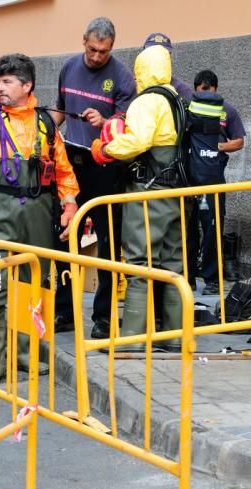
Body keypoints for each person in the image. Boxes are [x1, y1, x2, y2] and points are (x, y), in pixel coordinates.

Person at [0, 53, 79, 379]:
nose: (1, 88)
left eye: (8, 82)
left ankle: (28, 354)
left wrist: (69, 207)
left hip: (36, 217)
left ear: (27, 85)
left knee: (34, 286)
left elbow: (64, 172)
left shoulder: (45, 124)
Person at [91, 44, 185, 351]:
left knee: (139, 261)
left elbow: (137, 142)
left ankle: (131, 339)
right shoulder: (176, 100)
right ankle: (174, 336)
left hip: (148, 191)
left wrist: (105, 149)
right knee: (172, 263)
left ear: (141, 71)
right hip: (174, 191)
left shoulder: (147, 102)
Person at [52, 17, 136, 339]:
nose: (97, 56)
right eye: (93, 49)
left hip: (104, 165)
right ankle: (65, 311)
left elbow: (127, 125)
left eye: (104, 51)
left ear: (112, 48)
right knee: (63, 235)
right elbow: (60, 109)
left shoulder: (122, 77)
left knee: (108, 241)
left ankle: (103, 317)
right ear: (83, 39)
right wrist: (46, 128)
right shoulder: (69, 67)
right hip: (70, 163)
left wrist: (104, 120)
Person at [188, 70, 246, 294]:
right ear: (195, 90)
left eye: (209, 92)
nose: (205, 98)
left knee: (212, 228)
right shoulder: (189, 109)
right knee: (189, 229)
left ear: (216, 90)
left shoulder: (227, 110)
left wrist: (218, 147)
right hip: (191, 177)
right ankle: (189, 277)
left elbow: (239, 141)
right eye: (201, 93)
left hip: (214, 177)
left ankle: (212, 279)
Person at [142, 32, 193, 101]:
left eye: (163, 54)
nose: (158, 58)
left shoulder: (182, 90)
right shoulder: (133, 87)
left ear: (170, 57)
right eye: (153, 53)